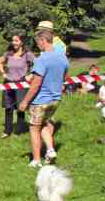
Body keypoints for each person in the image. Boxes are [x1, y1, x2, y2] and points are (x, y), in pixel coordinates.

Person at [18, 28, 69, 167]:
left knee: (34, 128)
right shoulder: (63, 57)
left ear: (43, 41)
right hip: (56, 99)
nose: (37, 46)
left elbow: (36, 84)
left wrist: (25, 101)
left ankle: (36, 160)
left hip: (40, 101)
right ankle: (51, 150)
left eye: (38, 43)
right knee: (44, 124)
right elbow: (65, 77)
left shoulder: (41, 59)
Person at [0, 34, 35, 138]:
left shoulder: (28, 54)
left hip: (21, 83)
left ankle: (19, 130)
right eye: (13, 40)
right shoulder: (8, 53)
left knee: (20, 107)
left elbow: (38, 65)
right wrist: (3, 73)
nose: (14, 43)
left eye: (16, 40)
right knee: (8, 107)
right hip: (8, 83)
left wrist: (30, 75)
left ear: (21, 42)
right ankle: (7, 131)